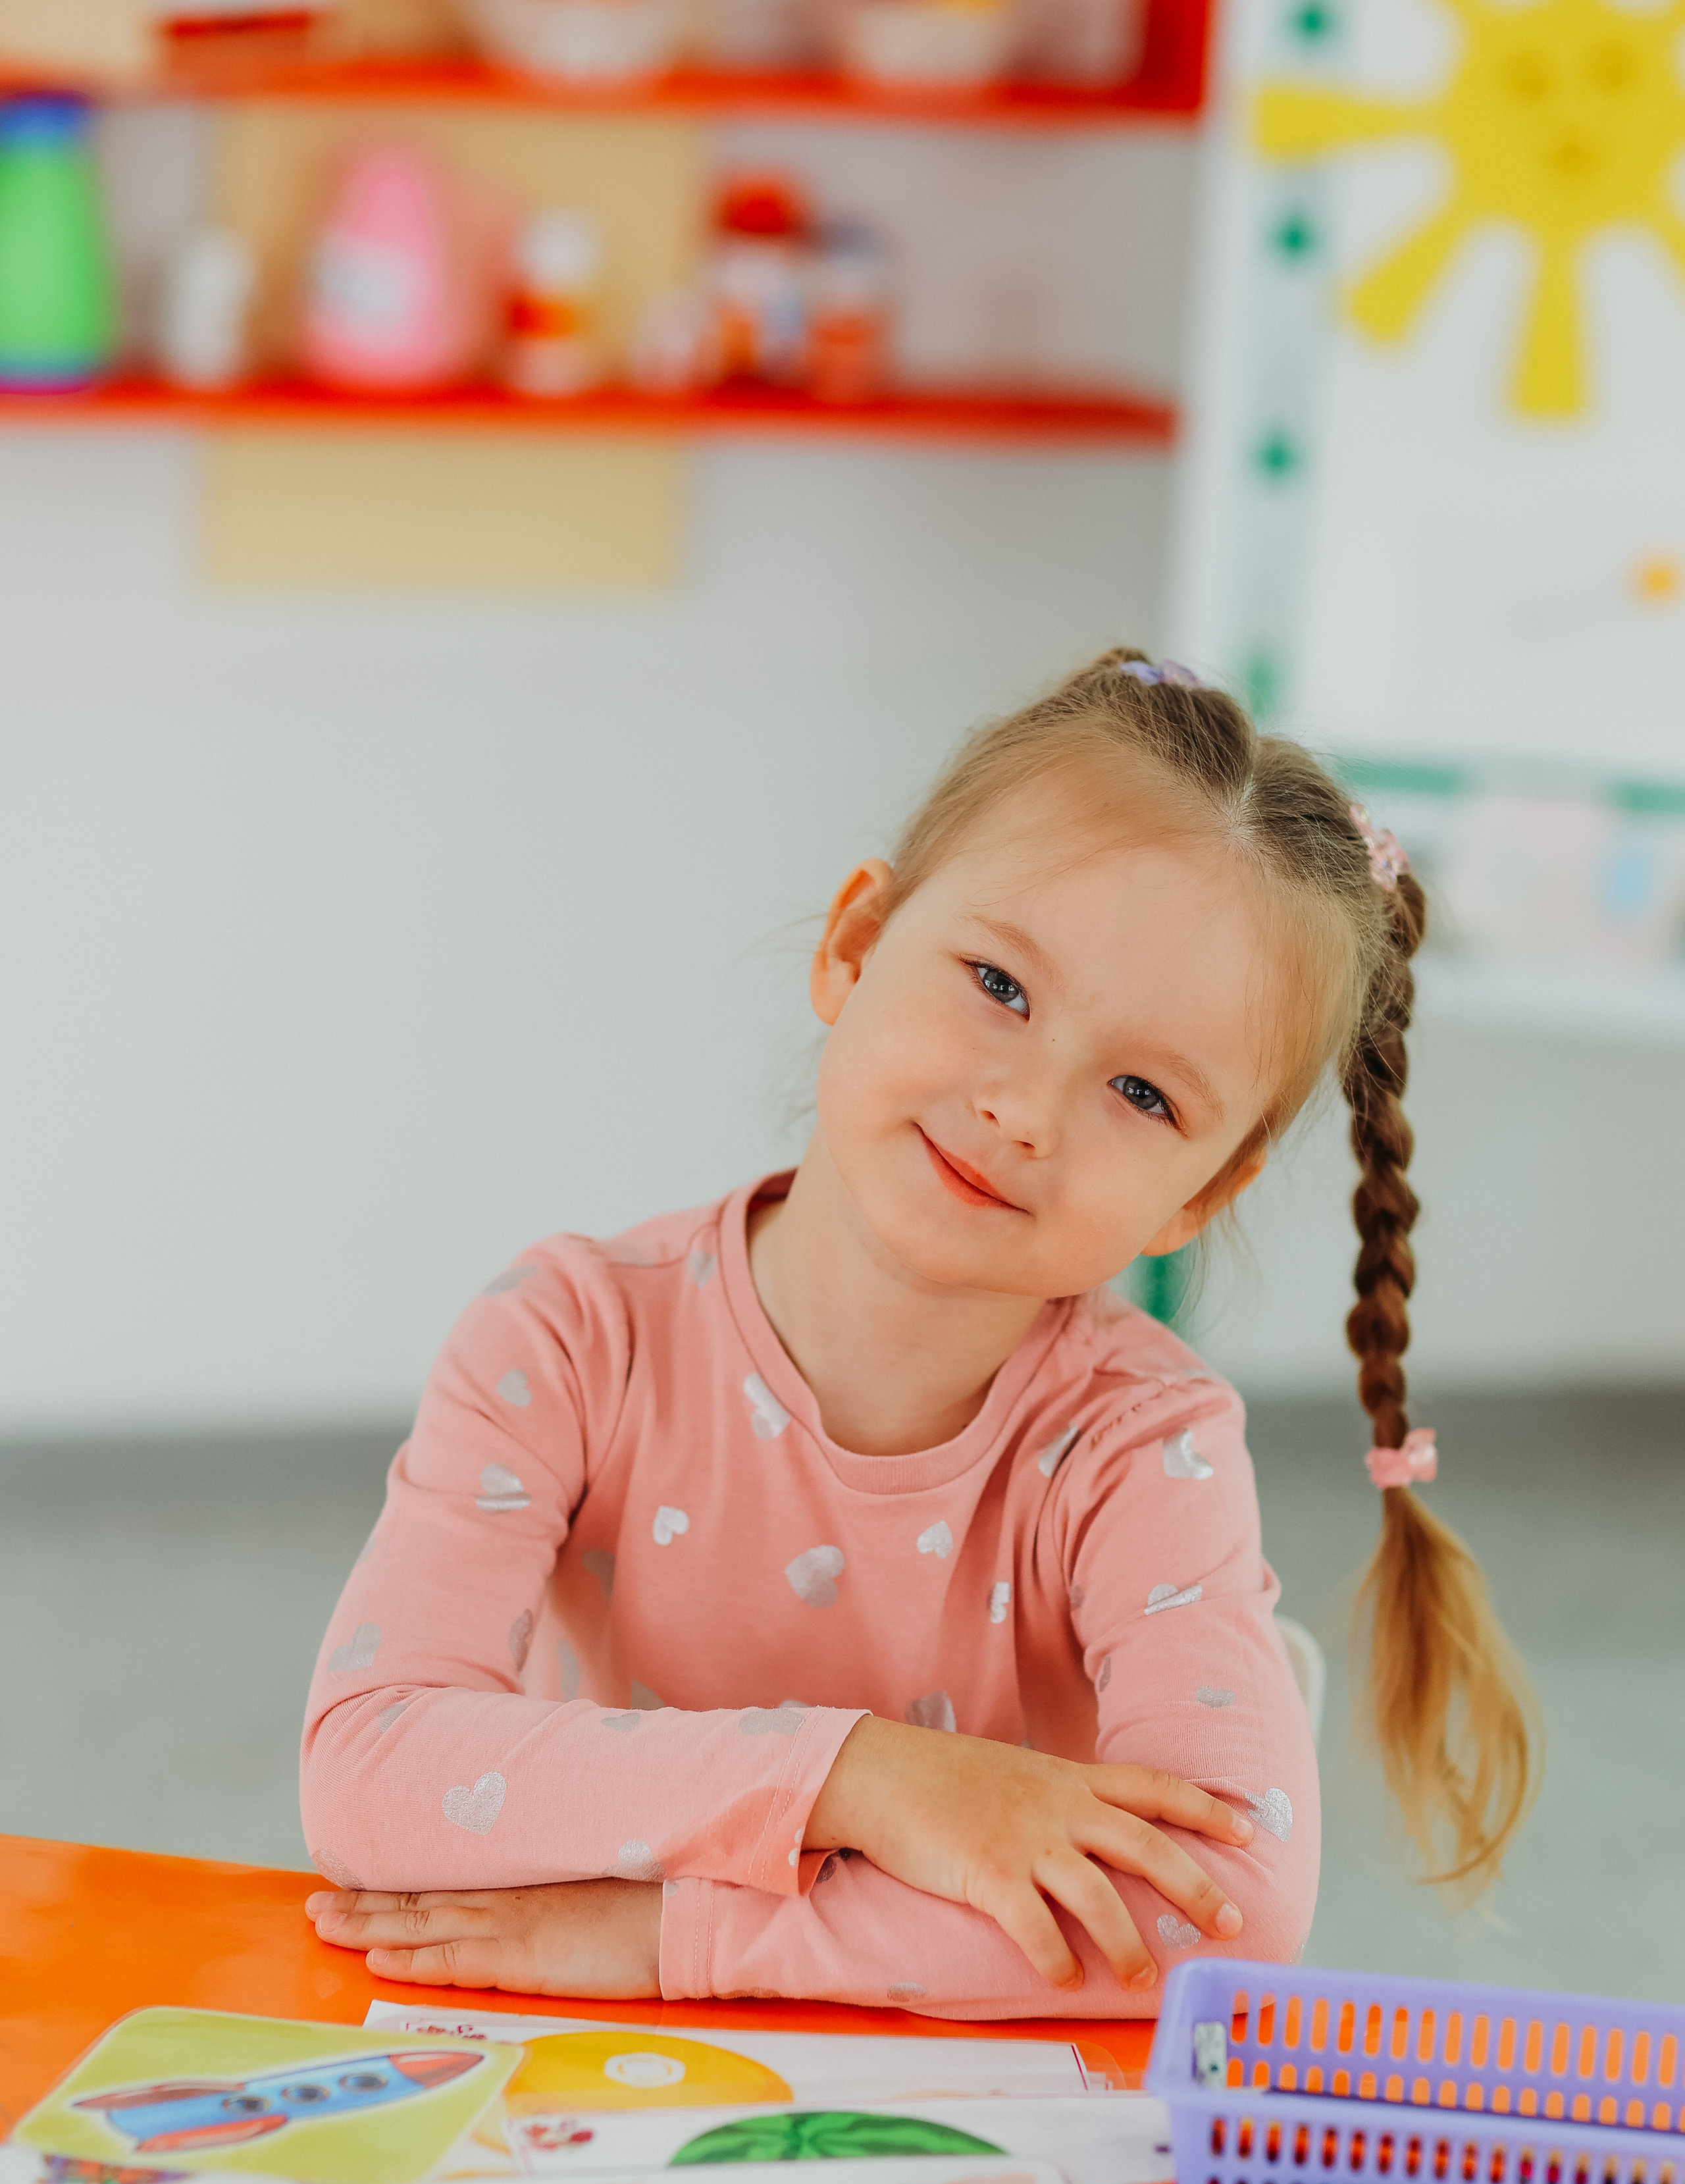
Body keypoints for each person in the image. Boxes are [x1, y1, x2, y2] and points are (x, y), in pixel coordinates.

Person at [301, 650, 1536, 2015]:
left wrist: (679, 1939)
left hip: (934, 2075)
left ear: (1201, 1191)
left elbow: (1222, 1919)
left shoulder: (1142, 1454)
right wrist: (864, 1776)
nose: (1023, 1109)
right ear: (851, 945)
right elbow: (370, 1769)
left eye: (1139, 1090)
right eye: (998, 986)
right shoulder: (566, 1335)